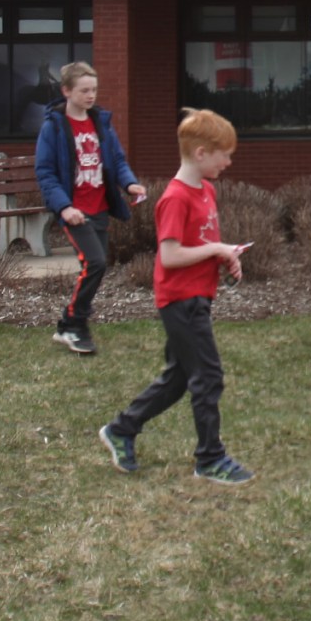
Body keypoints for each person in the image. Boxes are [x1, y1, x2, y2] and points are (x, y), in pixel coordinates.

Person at [97, 108, 255, 484]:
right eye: (224, 154)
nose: (229, 161)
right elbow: (170, 255)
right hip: (180, 301)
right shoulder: (175, 197)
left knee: (180, 378)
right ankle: (210, 458)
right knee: (208, 376)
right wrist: (216, 250)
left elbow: (199, 244)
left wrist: (225, 253)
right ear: (201, 153)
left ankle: (121, 429)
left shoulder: (207, 190)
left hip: (198, 295)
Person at [33, 61, 147, 355]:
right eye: (84, 90)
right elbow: (45, 173)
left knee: (94, 267)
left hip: (99, 208)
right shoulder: (54, 127)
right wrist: (65, 207)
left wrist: (130, 184)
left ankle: (68, 323)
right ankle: (76, 326)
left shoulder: (101, 123)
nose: (90, 95)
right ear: (66, 91)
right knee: (95, 263)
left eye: (94, 90)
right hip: (75, 211)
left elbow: (117, 161)